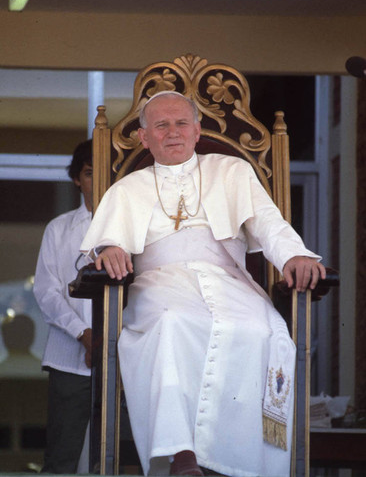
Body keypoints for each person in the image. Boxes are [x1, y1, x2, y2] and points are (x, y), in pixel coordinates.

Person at [80, 92, 326, 477]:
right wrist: (110, 247)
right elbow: (105, 244)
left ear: (197, 131)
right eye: (161, 125)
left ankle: (248, 465)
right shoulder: (127, 190)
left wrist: (295, 254)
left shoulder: (232, 171)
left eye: (181, 124)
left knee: (264, 330)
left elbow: (268, 223)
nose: (172, 133)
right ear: (144, 138)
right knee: (171, 322)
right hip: (158, 284)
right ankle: (182, 458)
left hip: (229, 281)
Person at [34, 140, 93, 474]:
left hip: (126, 359)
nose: (96, 181)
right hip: (68, 360)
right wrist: (83, 333)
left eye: (103, 173)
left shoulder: (134, 229)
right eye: (88, 173)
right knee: (60, 459)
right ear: (77, 179)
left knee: (123, 455)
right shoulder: (58, 229)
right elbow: (46, 292)